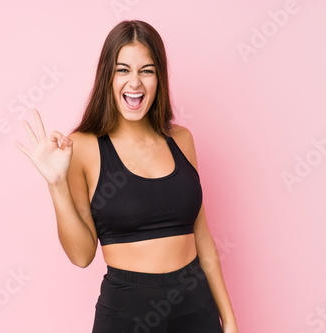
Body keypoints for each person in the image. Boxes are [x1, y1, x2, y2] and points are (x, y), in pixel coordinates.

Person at [15, 20, 239, 333]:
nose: (134, 83)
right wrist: (56, 184)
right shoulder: (82, 146)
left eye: (146, 70)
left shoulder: (182, 139)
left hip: (196, 309)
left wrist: (228, 320)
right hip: (126, 314)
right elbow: (81, 255)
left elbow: (202, 237)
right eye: (123, 70)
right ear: (107, 76)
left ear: (159, 77)